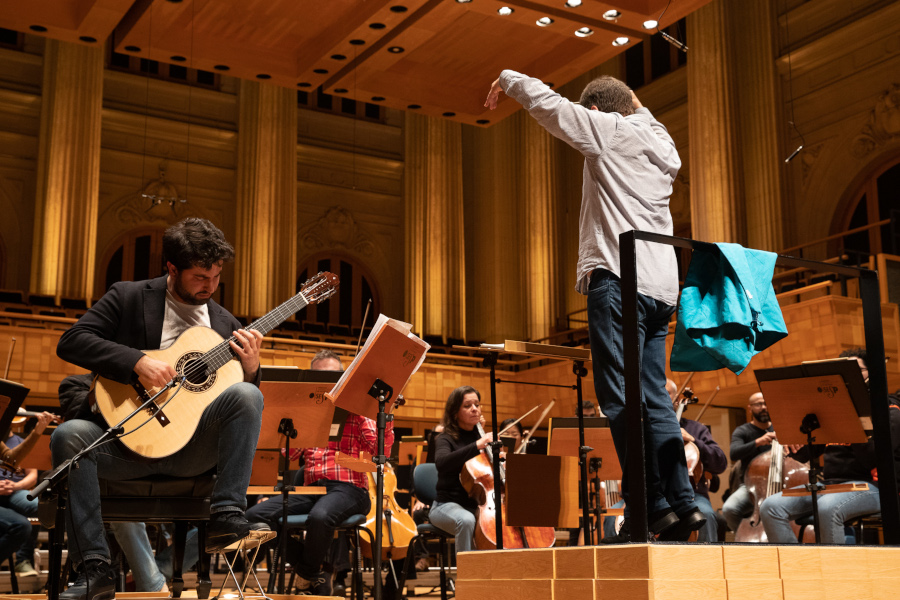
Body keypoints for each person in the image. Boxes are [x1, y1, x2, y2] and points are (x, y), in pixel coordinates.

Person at [486, 72, 702, 542]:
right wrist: (627, 99)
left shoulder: (609, 131)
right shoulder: (663, 142)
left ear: (599, 114)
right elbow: (637, 108)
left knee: (619, 399)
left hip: (620, 280)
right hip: (664, 287)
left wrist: (509, 79)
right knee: (655, 400)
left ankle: (651, 504)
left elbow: (550, 106)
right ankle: (684, 503)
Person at [51, 217, 268, 600]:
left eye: (217, 276)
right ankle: (94, 569)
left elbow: (239, 407)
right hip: (127, 446)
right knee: (68, 436)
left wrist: (251, 369)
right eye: (201, 276)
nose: (211, 286)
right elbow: (72, 342)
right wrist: (136, 360)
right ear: (172, 268)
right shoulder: (129, 297)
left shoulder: (224, 325)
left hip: (192, 451)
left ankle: (227, 515)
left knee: (250, 396)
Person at [245, 349, 394, 596]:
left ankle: (307, 573)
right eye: (321, 376)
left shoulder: (356, 409)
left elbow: (380, 449)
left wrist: (379, 414)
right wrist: (289, 420)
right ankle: (312, 570)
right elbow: (289, 455)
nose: (328, 382)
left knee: (320, 516)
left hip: (350, 489)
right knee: (254, 517)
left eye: (334, 376)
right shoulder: (309, 412)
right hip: (313, 490)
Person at [760, 348, 900, 544]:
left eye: (856, 370)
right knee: (770, 507)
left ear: (872, 373)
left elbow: (874, 457)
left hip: (874, 486)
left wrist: (852, 419)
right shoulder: (830, 412)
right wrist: (793, 440)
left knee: (827, 507)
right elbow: (808, 453)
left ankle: (835, 572)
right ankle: (794, 569)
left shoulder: (890, 411)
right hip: (831, 486)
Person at [429, 386, 492, 556]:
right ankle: (466, 578)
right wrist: (477, 446)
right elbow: (442, 463)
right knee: (466, 520)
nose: (474, 409)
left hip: (478, 505)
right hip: (445, 505)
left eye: (477, 405)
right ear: (455, 412)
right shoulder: (444, 438)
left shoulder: (480, 437)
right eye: (467, 405)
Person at [666, 379, 727, 542]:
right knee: (615, 516)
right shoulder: (645, 428)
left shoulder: (696, 429)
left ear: (677, 400)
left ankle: (708, 566)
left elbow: (720, 462)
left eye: (665, 394)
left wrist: (694, 441)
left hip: (693, 494)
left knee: (704, 515)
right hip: (654, 495)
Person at [0, 411, 57, 578]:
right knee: (20, 525)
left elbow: (32, 476)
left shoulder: (20, 442)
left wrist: (15, 485)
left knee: (38, 505)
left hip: (14, 491)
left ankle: (23, 559)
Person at [721, 391, 780, 532]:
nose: (764, 407)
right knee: (729, 509)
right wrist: (758, 442)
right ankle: (746, 536)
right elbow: (734, 453)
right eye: (759, 404)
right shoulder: (742, 431)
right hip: (750, 485)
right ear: (750, 408)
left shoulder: (780, 428)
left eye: (766, 403)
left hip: (781, 482)